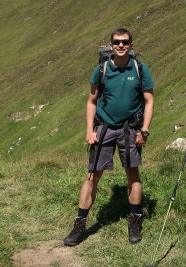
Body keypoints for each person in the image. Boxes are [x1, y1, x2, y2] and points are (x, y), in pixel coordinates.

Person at [63, 28, 154, 246]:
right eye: (117, 42)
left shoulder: (141, 69)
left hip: (130, 128)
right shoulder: (101, 69)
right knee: (93, 175)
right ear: (111, 45)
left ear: (131, 45)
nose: (121, 45)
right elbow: (91, 101)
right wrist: (88, 130)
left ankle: (134, 220)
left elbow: (149, 101)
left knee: (133, 173)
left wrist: (144, 130)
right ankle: (79, 224)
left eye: (125, 42)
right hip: (103, 127)